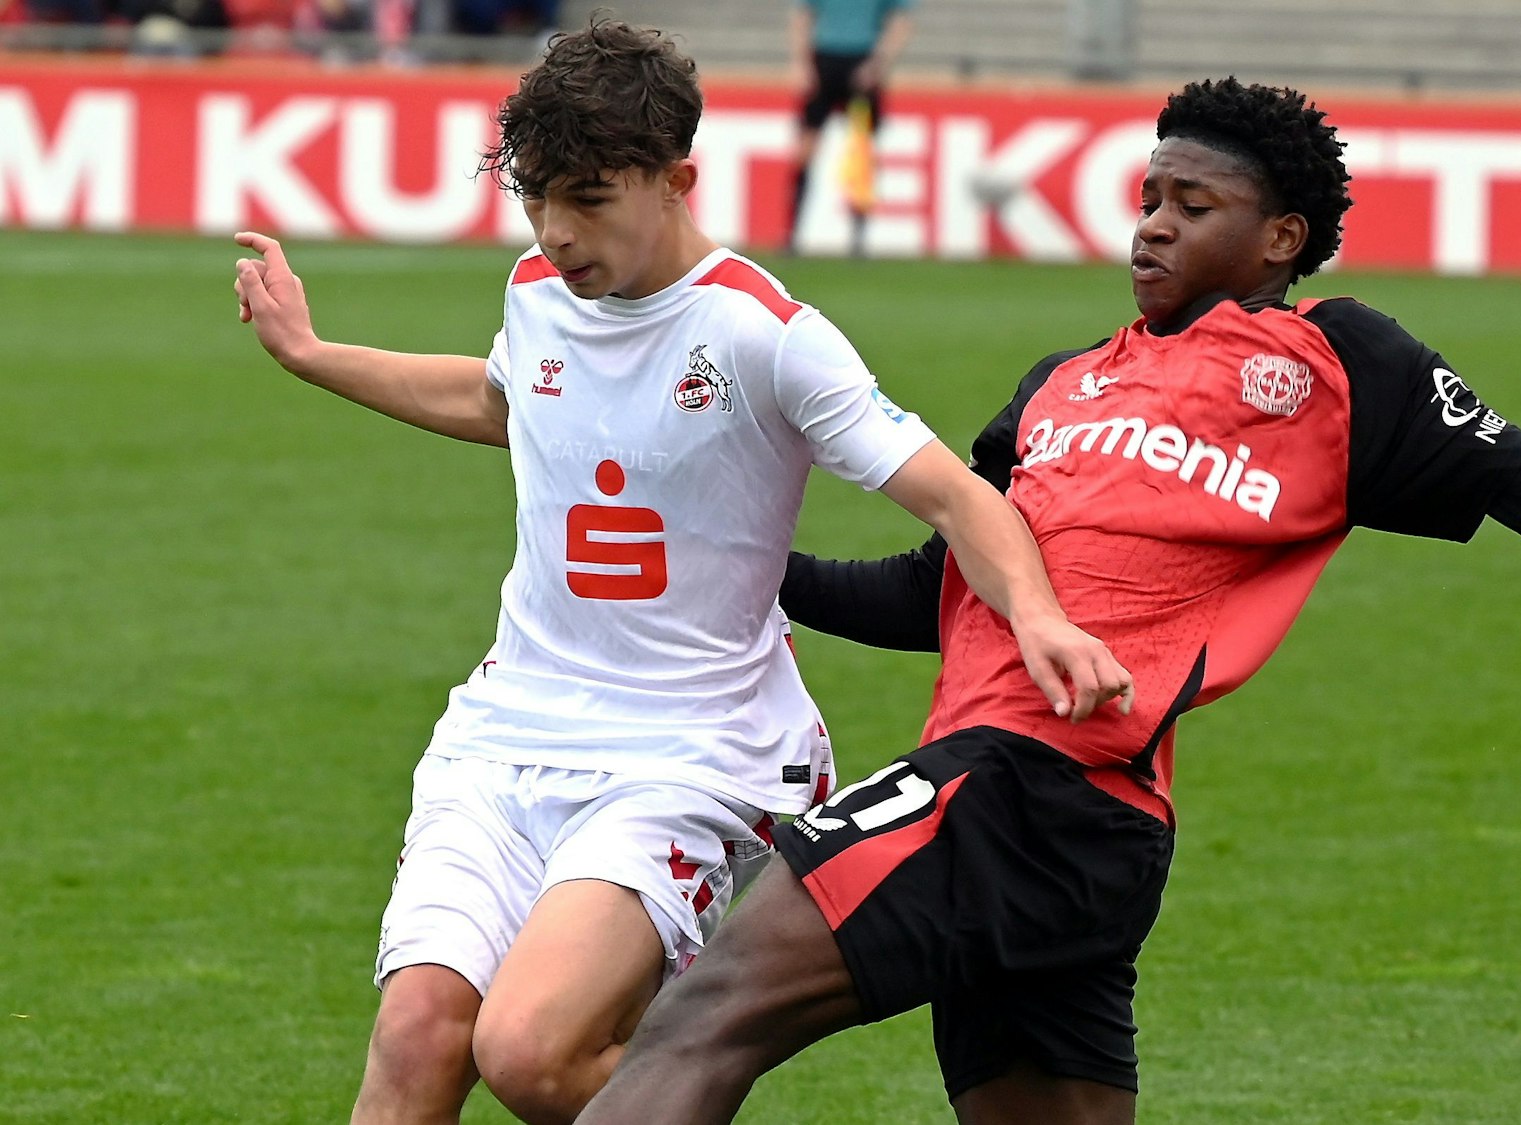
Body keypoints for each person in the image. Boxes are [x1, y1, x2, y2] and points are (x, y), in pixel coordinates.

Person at [576, 77, 1521, 1125]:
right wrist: (748, 570)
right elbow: (944, 590)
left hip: (1030, 783)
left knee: (713, 1010)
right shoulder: (1057, 385)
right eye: (1148, 196)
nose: (1151, 224)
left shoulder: (1337, 364)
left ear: (1282, 239)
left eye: (1194, 204)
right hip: (1081, 829)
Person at [232, 20, 1129, 1125]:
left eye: (589, 198)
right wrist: (315, 358)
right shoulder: (535, 288)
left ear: (676, 180)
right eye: (535, 199)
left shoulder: (766, 337)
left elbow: (955, 492)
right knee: (419, 1036)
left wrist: (1034, 613)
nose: (556, 232)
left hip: (691, 752)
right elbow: (504, 404)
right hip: (506, 732)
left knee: (529, 1051)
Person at [785, 0, 914, 250]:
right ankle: (792, 233)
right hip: (824, 60)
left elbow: (900, 21)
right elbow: (803, 15)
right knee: (806, 151)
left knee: (861, 151)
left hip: (862, 60)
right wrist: (802, 63)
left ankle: (858, 235)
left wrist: (877, 64)